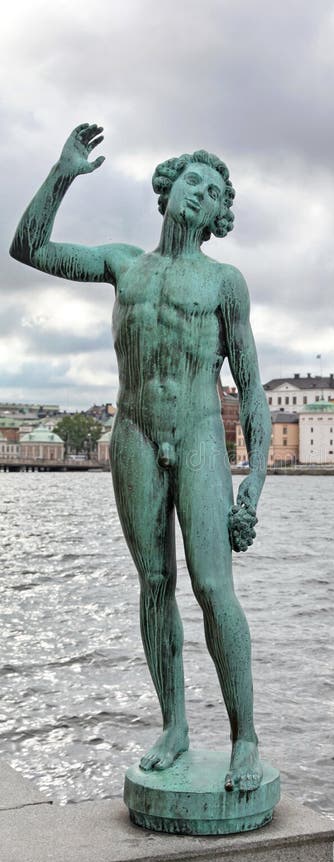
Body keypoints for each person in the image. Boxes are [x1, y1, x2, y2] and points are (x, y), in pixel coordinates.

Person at [10, 123, 271, 792]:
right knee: (154, 585)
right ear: (167, 190)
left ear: (219, 216)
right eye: (189, 180)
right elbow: (27, 247)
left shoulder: (225, 283)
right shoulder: (125, 264)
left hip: (200, 437)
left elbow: (253, 395)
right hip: (133, 435)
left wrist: (253, 488)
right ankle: (174, 726)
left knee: (213, 588)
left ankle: (244, 739)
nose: (197, 193)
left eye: (211, 191)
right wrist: (64, 171)